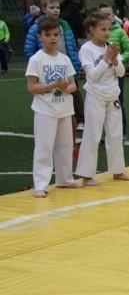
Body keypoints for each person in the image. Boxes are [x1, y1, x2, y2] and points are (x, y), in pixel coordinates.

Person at [75, 12, 129, 186]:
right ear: (91, 30)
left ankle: (118, 171)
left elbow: (121, 72)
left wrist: (116, 61)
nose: (107, 32)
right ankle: (87, 176)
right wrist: (106, 59)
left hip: (112, 94)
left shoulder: (110, 46)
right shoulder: (86, 49)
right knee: (93, 135)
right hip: (95, 95)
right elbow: (92, 76)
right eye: (103, 29)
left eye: (109, 29)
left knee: (115, 134)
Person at [25, 17, 83, 197]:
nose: (52, 38)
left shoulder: (64, 59)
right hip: (45, 109)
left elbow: (73, 85)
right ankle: (41, 184)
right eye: (48, 35)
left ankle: (65, 179)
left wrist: (66, 87)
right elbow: (32, 88)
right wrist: (53, 86)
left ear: (60, 37)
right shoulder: (37, 59)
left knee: (65, 146)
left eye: (56, 35)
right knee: (44, 147)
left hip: (64, 109)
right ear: (39, 36)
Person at [25, 0, 84, 131]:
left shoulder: (64, 25)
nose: (56, 10)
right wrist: (40, 63)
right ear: (44, 9)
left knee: (74, 94)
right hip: (46, 74)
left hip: (64, 67)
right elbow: (29, 48)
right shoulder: (36, 27)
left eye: (57, 7)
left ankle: (80, 120)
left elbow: (71, 44)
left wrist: (74, 62)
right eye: (52, 7)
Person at [100, 4, 129, 139]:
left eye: (108, 14)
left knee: (117, 101)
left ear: (113, 16)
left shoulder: (120, 32)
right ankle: (107, 132)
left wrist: (119, 60)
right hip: (102, 73)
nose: (106, 17)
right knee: (102, 103)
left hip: (116, 73)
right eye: (102, 15)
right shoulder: (97, 34)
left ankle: (122, 131)